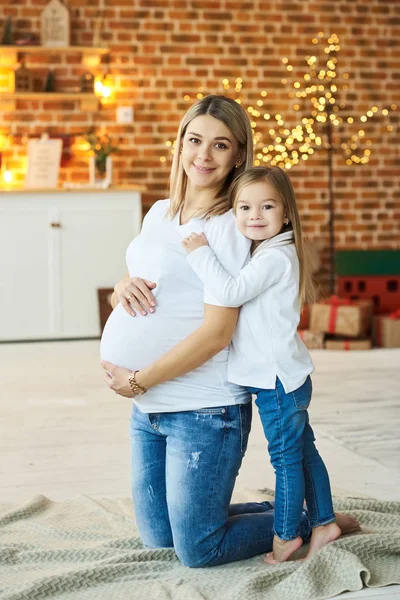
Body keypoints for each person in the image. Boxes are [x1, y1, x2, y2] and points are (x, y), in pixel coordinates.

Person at [100, 96, 359, 568]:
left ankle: (308, 523)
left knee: (197, 551)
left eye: (220, 145)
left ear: (239, 154)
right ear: (179, 145)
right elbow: (140, 282)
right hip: (148, 409)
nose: (203, 154)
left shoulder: (234, 224)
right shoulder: (158, 212)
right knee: (159, 539)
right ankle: (283, 510)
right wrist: (122, 288)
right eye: (194, 140)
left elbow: (219, 332)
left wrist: (139, 379)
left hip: (202, 408)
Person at [181, 166, 341, 564]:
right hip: (283, 375)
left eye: (266, 206)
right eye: (244, 207)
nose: (254, 215)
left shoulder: (276, 257)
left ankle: (287, 535)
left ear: (286, 213)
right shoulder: (266, 250)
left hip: (277, 381)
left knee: (286, 459)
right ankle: (324, 522)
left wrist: (199, 251)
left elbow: (231, 291)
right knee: (304, 453)